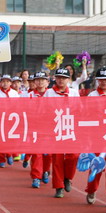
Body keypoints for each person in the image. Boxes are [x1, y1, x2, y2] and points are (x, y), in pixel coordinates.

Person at [45, 68, 80, 198]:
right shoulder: (49, 93)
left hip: (70, 128)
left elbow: (79, 109)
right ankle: (59, 187)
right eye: (58, 77)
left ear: (68, 79)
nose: (61, 80)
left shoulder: (74, 93)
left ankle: (67, 178)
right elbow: (44, 109)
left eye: (64, 78)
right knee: (57, 159)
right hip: (55, 129)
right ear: (55, 78)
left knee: (73, 156)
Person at [83, 67, 106, 205]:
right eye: (101, 80)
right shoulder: (92, 95)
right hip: (97, 136)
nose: (104, 82)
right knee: (96, 165)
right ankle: (91, 190)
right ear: (97, 80)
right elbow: (87, 115)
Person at [26, 72, 52, 188]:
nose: (40, 82)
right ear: (34, 81)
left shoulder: (51, 94)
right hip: (35, 128)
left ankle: (45, 171)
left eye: (43, 80)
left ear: (47, 82)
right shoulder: (29, 95)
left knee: (48, 154)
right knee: (37, 153)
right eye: (38, 80)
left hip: (49, 128)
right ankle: (36, 177)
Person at [0, 74, 19, 168]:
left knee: (10, 138)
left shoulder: (14, 93)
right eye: (3, 81)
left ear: (10, 83)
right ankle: (1, 159)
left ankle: (9, 153)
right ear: (0, 83)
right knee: (0, 139)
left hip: (11, 118)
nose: (5, 83)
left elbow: (18, 105)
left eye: (7, 81)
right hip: (0, 118)